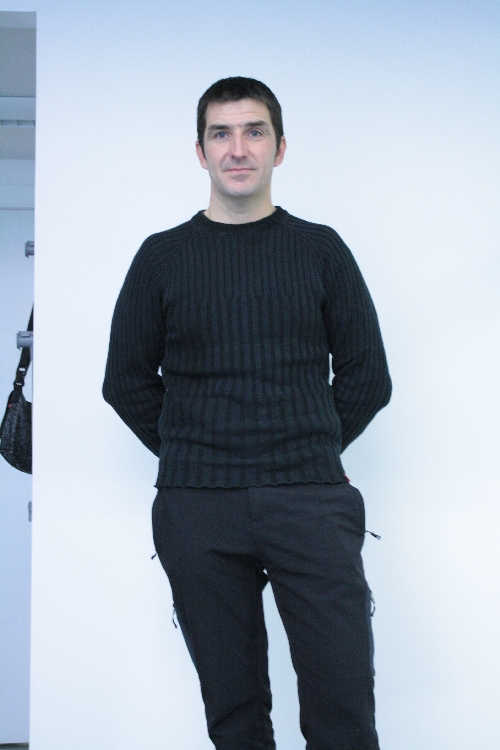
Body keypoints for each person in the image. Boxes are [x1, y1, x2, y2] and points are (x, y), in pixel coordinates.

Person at [103, 76, 391, 750]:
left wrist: (308, 447)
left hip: (310, 502)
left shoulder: (320, 249)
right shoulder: (162, 257)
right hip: (198, 510)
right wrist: (196, 449)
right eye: (221, 134)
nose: (238, 148)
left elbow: (367, 377)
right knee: (234, 716)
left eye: (254, 131)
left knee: (344, 707)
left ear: (279, 148)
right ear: (200, 152)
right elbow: (125, 382)